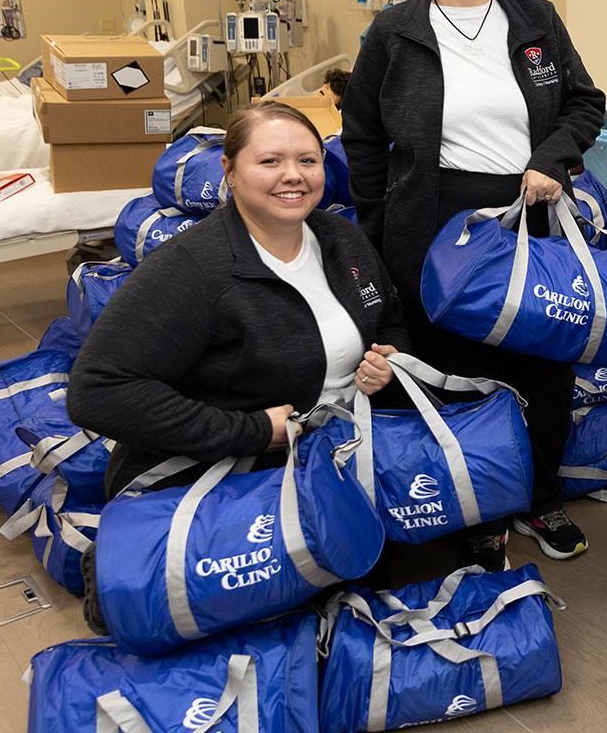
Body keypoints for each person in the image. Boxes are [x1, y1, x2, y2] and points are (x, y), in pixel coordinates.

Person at [342, 0, 606, 568]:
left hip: (530, 217)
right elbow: (363, 139)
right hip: (436, 228)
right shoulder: (395, 33)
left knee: (544, 370)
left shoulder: (535, 20)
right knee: (458, 373)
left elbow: (585, 102)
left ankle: (541, 497)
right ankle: (480, 507)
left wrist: (553, 157)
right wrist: (379, 223)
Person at [68, 101, 409, 632]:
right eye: (270, 161)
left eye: (309, 160)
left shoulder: (342, 239)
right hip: (229, 469)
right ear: (229, 170)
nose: (293, 176)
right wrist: (252, 431)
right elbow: (97, 391)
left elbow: (389, 318)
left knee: (373, 581)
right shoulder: (192, 269)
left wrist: (387, 358)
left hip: (325, 457)